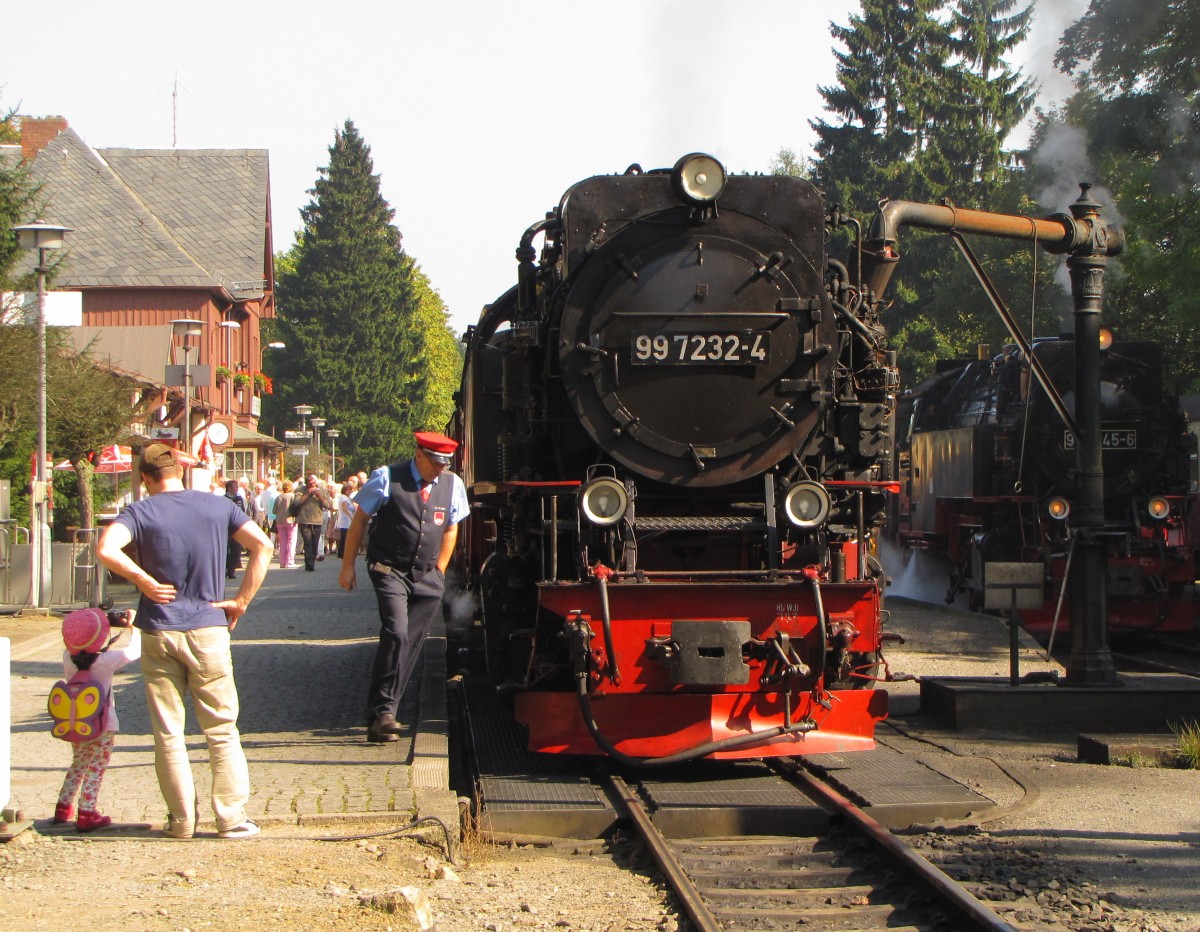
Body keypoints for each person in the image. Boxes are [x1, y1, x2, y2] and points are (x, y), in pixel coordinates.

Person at [96, 443, 272, 840]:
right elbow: (263, 545)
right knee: (221, 728)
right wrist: (241, 601)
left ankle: (181, 822)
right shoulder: (218, 507)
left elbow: (106, 548)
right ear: (181, 471)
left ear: (145, 478)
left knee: (168, 732)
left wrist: (143, 580)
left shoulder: (139, 512)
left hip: (159, 629)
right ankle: (231, 818)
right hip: (209, 627)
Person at [339, 432, 470, 743]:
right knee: (396, 633)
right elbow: (360, 520)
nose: (440, 469)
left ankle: (384, 715)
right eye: (436, 462)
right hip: (389, 569)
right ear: (419, 454)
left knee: (410, 643)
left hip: (427, 576)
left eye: (445, 464)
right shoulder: (386, 477)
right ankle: (382, 712)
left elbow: (451, 528)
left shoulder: (452, 484)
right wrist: (347, 566)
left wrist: (440, 572)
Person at [52, 607, 141, 832]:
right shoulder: (106, 661)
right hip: (104, 723)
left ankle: (63, 806)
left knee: (79, 763)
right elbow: (134, 651)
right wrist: (133, 626)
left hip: (76, 722)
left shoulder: (67, 658)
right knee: (96, 767)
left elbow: (80, 646)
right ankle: (87, 812)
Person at [288, 474, 332, 571]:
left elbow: (327, 505)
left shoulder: (321, 490)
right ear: (306, 483)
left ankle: (311, 559)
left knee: (315, 543)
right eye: (310, 483)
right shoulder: (300, 490)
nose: (313, 485)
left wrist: (319, 495)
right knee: (307, 542)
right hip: (304, 520)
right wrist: (307, 494)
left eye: (314, 483)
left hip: (317, 521)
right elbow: (296, 503)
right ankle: (309, 563)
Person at [223, 479, 248, 578]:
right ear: (229, 489)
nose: (237, 489)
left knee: (235, 549)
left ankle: (231, 570)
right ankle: (224, 569)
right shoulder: (223, 499)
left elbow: (242, 511)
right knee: (225, 549)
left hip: (236, 526)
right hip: (226, 527)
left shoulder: (239, 499)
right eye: (235, 487)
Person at [271, 479, 297, 568]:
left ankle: (282, 562)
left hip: (279, 521)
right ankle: (290, 561)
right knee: (291, 541)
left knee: (283, 541)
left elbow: (274, 511)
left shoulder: (278, 497)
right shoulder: (293, 496)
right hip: (290, 520)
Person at [335, 476, 359, 558]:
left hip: (347, 520)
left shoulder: (347, 498)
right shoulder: (344, 498)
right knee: (345, 537)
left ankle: (343, 552)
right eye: (348, 490)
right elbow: (345, 508)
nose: (350, 491)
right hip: (345, 520)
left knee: (345, 537)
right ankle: (342, 553)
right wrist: (351, 516)